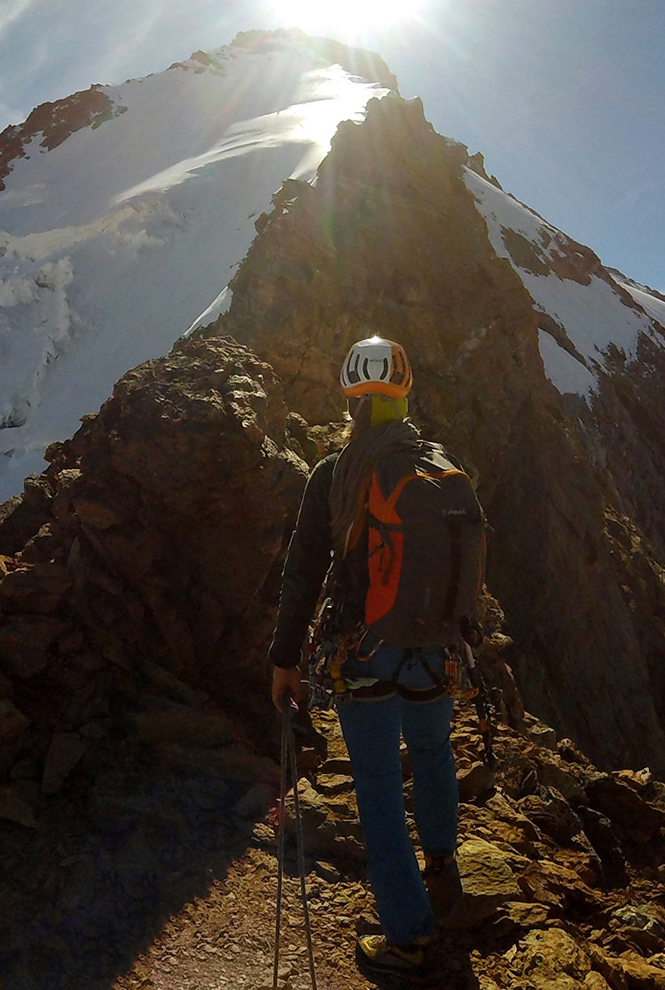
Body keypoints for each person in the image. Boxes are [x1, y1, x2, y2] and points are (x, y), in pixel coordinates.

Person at [269, 336, 473, 984]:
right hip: (433, 647)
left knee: (380, 788)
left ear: (351, 396)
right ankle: (441, 862)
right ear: (405, 392)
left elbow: (302, 573)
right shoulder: (439, 466)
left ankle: (408, 937)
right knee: (435, 752)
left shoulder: (335, 472)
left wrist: (285, 658)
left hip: (364, 656)